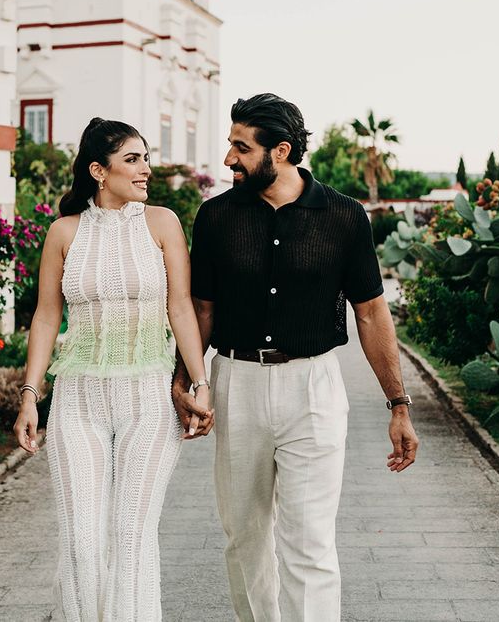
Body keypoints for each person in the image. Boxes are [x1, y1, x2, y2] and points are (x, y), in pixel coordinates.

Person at [171, 94, 420, 621]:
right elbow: (202, 308)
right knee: (245, 539)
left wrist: (398, 403)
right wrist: (186, 379)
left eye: (241, 147)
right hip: (237, 382)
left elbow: (372, 315)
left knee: (309, 541)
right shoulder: (215, 217)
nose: (229, 159)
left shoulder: (344, 217)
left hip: (315, 388)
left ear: (280, 151)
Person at [14, 118, 212, 621]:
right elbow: (46, 314)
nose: (146, 169)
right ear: (98, 171)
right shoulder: (64, 232)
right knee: (81, 538)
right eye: (133, 159)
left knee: (130, 535)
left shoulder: (162, 223)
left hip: (148, 397)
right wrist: (30, 395)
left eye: (146, 157)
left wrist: (200, 382)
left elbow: (182, 308)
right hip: (78, 398)